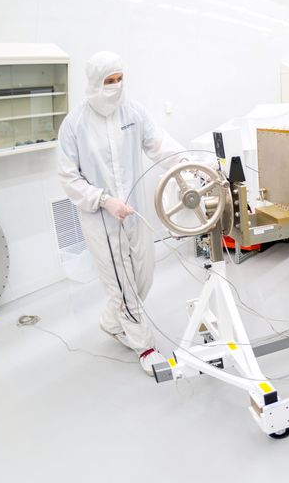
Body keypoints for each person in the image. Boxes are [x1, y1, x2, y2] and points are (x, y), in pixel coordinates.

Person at [58, 51, 186, 376]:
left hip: (136, 210)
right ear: (93, 83)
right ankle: (144, 346)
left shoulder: (134, 112)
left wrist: (188, 164)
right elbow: (69, 178)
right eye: (108, 81)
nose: (115, 87)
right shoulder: (74, 125)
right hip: (101, 217)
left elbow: (159, 144)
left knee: (144, 274)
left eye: (119, 79)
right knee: (123, 284)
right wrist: (103, 200)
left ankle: (111, 321)